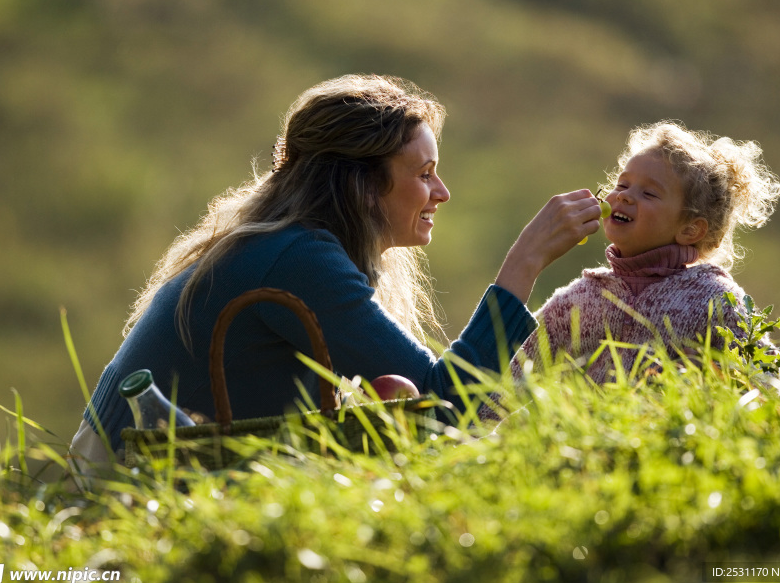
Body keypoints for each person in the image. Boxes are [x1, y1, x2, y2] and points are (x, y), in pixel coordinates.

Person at [69, 74, 605, 467]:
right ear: (363, 186)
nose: (441, 193)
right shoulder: (298, 258)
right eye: (424, 174)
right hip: (131, 479)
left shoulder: (286, 245)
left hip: (131, 464)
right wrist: (524, 262)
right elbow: (440, 407)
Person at [502, 120, 780, 392]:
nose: (624, 197)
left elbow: (765, 379)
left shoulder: (714, 301)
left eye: (649, 193)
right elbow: (507, 381)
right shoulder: (577, 302)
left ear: (690, 229)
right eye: (622, 186)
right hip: (582, 440)